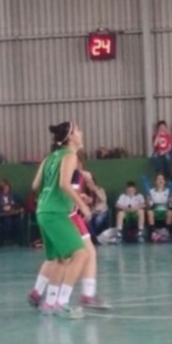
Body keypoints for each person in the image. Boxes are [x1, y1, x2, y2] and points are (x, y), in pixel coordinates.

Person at [29, 122, 93, 319]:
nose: (81, 133)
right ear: (70, 137)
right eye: (78, 130)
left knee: (59, 259)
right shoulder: (69, 155)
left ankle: (49, 303)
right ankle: (62, 303)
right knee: (81, 255)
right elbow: (64, 184)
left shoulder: (50, 158)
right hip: (56, 212)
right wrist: (81, 205)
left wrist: (52, 196)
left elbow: (35, 185)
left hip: (43, 210)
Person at [29, 162, 110, 311]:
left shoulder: (51, 165)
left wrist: (80, 197)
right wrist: (81, 203)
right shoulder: (71, 167)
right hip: (66, 215)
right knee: (81, 255)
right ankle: (69, 298)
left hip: (47, 211)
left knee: (55, 257)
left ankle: (38, 292)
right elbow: (66, 192)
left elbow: (41, 187)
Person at [147, 173, 172, 240]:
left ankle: (168, 231)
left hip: (165, 209)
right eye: (158, 179)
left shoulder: (168, 191)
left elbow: (171, 204)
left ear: (165, 181)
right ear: (155, 181)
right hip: (155, 210)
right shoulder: (151, 191)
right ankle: (153, 232)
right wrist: (148, 200)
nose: (160, 180)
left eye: (162, 179)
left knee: (170, 212)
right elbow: (149, 205)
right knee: (149, 212)